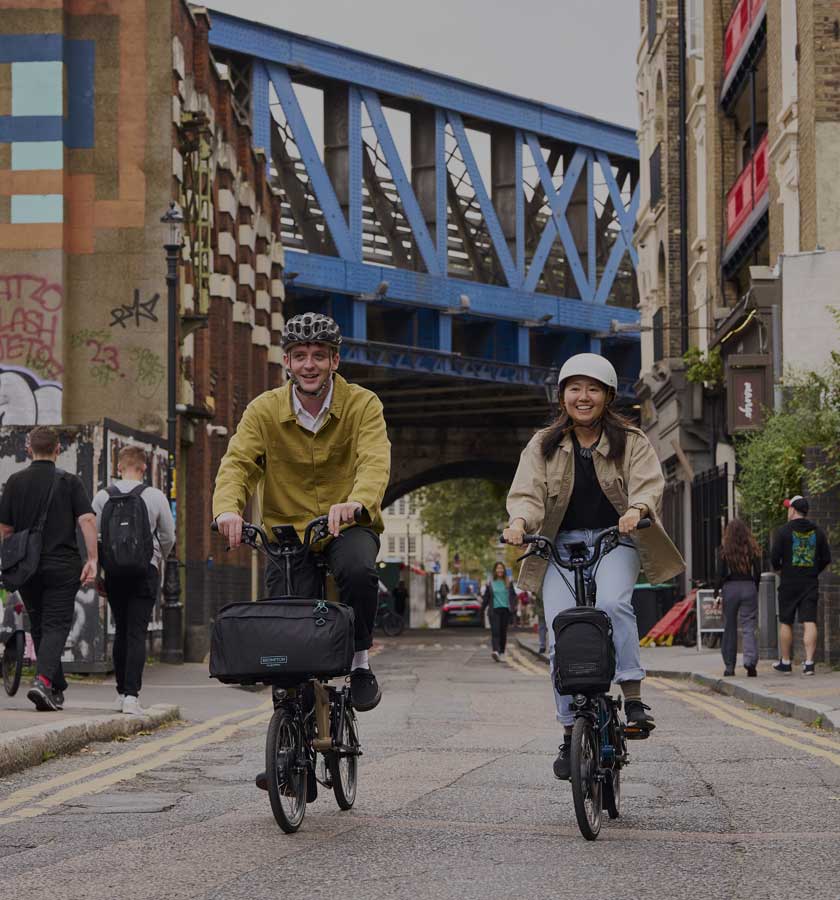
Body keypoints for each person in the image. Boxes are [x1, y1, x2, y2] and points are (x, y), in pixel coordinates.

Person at [213, 312, 391, 789]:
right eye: (299, 356)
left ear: (334, 360)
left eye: (319, 356)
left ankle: (358, 661)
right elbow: (238, 464)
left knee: (357, 571)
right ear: (286, 362)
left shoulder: (362, 404)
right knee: (283, 633)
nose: (309, 365)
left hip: (344, 523)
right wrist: (228, 509)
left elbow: (374, 460)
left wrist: (358, 503)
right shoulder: (264, 410)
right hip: (287, 533)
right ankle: (289, 748)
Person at [503, 353, 684, 780]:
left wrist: (636, 509)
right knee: (558, 631)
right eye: (575, 389)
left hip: (614, 540)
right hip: (558, 547)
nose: (583, 397)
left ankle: (633, 696)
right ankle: (570, 731)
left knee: (614, 604)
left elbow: (647, 486)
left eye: (593, 389)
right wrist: (518, 523)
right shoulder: (543, 444)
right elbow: (527, 494)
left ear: (607, 397)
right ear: (562, 395)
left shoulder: (632, 440)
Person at [0, 426, 98, 711]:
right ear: (58, 449)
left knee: (41, 624)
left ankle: (54, 688)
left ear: (29, 449)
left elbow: (5, 529)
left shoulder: (14, 482)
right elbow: (87, 521)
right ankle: (43, 681)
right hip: (62, 566)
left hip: (27, 568)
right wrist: (92, 559)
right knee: (55, 626)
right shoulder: (69, 482)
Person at [92, 445, 175, 715]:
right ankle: (131, 695)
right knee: (137, 631)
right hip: (144, 571)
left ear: (119, 467)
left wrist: (102, 568)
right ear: (144, 468)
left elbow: (96, 537)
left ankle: (119, 693)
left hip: (114, 573)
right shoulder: (154, 496)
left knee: (121, 630)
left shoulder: (103, 496)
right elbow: (168, 536)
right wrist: (156, 558)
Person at [770, 495, 831, 675]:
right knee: (809, 621)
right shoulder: (818, 532)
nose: (787, 510)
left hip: (788, 582)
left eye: (789, 507)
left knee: (786, 621)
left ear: (793, 510)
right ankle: (810, 663)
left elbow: (774, 558)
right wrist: (813, 571)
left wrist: (782, 570)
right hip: (810, 582)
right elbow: (826, 559)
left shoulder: (782, 532)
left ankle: (786, 663)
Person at [714, 519, 761, 677]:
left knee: (730, 627)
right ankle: (750, 663)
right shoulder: (752, 548)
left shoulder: (724, 549)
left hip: (730, 588)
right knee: (749, 626)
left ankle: (729, 666)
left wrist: (716, 592)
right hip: (749, 587)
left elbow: (720, 574)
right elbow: (758, 572)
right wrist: (755, 587)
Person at [482, 562, 516, 660]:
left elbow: (513, 596)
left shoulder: (508, 582)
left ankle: (502, 652)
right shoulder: (491, 583)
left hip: (505, 610)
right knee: (495, 631)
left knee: (503, 632)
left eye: (501, 568)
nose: (500, 570)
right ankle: (496, 651)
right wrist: (482, 609)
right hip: (494, 610)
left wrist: (513, 607)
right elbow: (486, 597)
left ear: (504, 570)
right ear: (495, 571)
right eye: (498, 568)